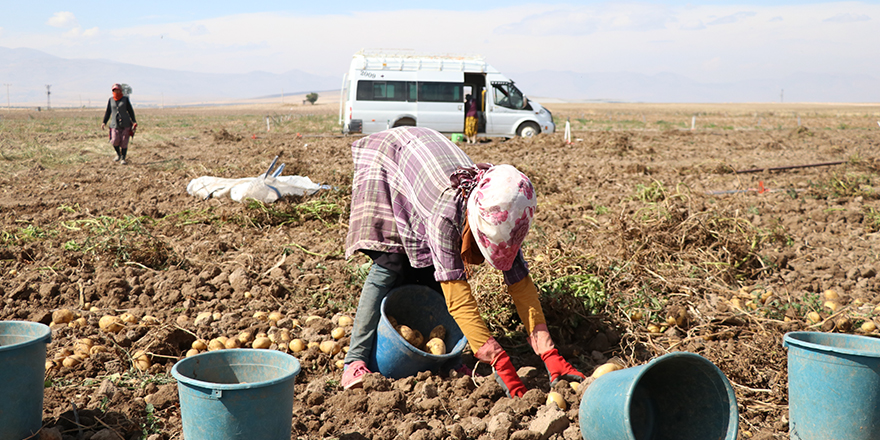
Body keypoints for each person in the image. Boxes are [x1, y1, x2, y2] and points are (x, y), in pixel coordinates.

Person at [341, 126, 585, 397]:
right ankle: (354, 360)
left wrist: (549, 352)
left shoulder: (505, 212)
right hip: (392, 160)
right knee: (390, 264)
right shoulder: (447, 215)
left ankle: (448, 362)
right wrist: (498, 360)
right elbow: (457, 296)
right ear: (474, 220)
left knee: (431, 270)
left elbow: (520, 285)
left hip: (427, 164)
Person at [101, 83, 137, 164]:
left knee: (124, 141)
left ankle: (123, 158)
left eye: (118, 90)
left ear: (121, 90)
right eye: (115, 90)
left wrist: (134, 121)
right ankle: (118, 154)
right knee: (114, 140)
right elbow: (108, 112)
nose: (116, 92)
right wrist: (104, 122)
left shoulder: (125, 99)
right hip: (114, 124)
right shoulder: (111, 100)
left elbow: (130, 111)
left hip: (125, 123)